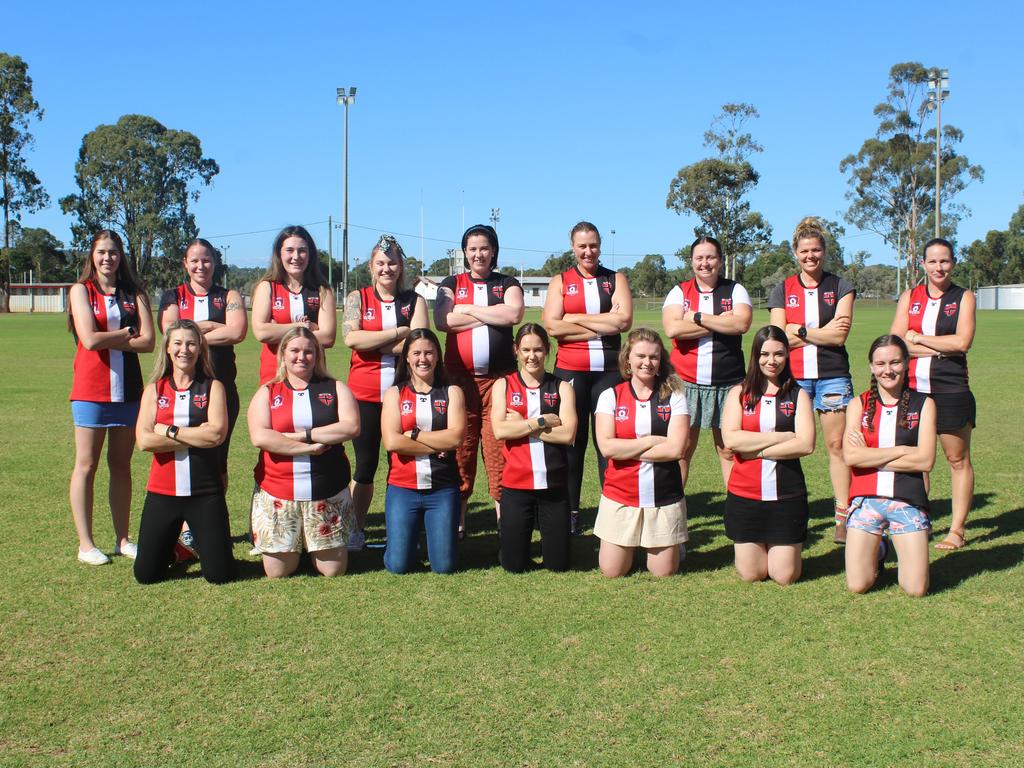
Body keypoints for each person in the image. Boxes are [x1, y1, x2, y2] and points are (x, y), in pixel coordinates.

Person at [67, 230, 155, 565]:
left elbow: (148, 342)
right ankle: (86, 544)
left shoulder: (135, 292)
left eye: (114, 252)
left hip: (129, 391)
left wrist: (112, 339)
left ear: (122, 256)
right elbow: (88, 340)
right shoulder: (80, 290)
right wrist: (124, 333)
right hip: (91, 390)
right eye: (102, 252)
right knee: (86, 465)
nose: (108, 258)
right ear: (92, 255)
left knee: (121, 465)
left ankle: (122, 539)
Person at [769, 217, 855, 543]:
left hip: (832, 375)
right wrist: (821, 332)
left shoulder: (840, 286)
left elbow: (841, 333)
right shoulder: (783, 288)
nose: (810, 256)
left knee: (837, 446)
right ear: (795, 252)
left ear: (824, 251)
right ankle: (792, 517)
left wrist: (801, 331)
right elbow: (778, 339)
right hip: (794, 379)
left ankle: (843, 518)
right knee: (790, 448)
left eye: (816, 250)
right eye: (804, 251)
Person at [434, 224, 524, 536]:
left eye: (484, 248)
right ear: (465, 253)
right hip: (459, 383)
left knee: (498, 448)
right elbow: (443, 320)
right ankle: (458, 520)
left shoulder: (507, 282)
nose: (478, 254)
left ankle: (504, 520)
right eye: (472, 249)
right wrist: (490, 313)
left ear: (494, 251)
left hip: (499, 381)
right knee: (461, 449)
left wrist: (469, 309)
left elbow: (513, 315)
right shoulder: (451, 283)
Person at [543, 221, 632, 535]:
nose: (588, 251)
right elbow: (552, 327)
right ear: (572, 247)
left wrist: (575, 319)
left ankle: (614, 511)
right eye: (582, 246)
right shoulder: (561, 281)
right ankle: (571, 512)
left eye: (593, 245)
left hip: (610, 373)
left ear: (600, 245)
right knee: (571, 444)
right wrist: (602, 323)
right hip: (571, 372)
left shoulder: (615, 278)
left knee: (608, 445)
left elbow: (623, 320)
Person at [248, 327, 359, 578]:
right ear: (283, 354)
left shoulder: (335, 388)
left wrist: (301, 435)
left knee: (332, 571)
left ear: (317, 355)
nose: (302, 357)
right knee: (278, 572)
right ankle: (298, 544)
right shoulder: (268, 392)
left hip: (326, 492)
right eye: (295, 350)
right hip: (279, 492)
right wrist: (309, 448)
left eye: (309, 351)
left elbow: (351, 427)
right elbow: (261, 437)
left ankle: (311, 544)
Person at [342, 234, 429, 551]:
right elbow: (352, 340)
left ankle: (404, 531)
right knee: (364, 467)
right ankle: (355, 529)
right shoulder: (357, 297)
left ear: (401, 266)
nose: (386, 268)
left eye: (392, 262)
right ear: (371, 266)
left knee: (403, 465)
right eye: (380, 263)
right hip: (363, 395)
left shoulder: (414, 300)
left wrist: (374, 340)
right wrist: (398, 333)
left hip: (405, 395)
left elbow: (419, 344)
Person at [133, 320, 236, 584]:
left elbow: (215, 435)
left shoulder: (213, 387)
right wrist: (196, 435)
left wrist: (168, 431)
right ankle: (179, 550)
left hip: (204, 492)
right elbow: (144, 441)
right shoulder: (154, 389)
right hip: (162, 492)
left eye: (191, 343)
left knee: (219, 575)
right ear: (167, 348)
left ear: (201, 349)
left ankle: (187, 547)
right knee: (146, 575)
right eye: (177, 343)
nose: (184, 350)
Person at [890, 238, 976, 551]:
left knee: (957, 459)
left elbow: (962, 343)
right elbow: (896, 344)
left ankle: (957, 530)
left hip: (951, 388)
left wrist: (920, 339)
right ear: (922, 265)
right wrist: (938, 345)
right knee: (917, 461)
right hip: (912, 390)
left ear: (953, 263)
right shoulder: (909, 297)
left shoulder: (964, 297)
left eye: (945, 261)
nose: (939, 267)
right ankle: (919, 522)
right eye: (933, 262)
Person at [721, 326, 815, 585]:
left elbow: (806, 444)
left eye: (778, 354)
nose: (771, 361)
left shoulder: (798, 395)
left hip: (786, 497)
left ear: (787, 357)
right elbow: (731, 440)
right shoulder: (739, 393)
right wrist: (782, 437)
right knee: (752, 574)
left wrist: (757, 450)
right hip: (745, 495)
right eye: (764, 354)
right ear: (755, 356)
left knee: (784, 576)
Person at [844, 335, 936, 597]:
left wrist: (870, 454)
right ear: (872, 367)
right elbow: (851, 457)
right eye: (881, 363)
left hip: (906, 499)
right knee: (858, 585)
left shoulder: (924, 404)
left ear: (906, 363)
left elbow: (925, 460)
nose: (888, 370)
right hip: (866, 499)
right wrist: (903, 450)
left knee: (915, 589)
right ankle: (880, 548)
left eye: (895, 362)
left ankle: (890, 541)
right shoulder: (858, 404)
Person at [593, 328, 690, 578]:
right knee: (612, 571)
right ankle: (633, 541)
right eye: (640, 356)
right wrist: (653, 441)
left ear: (661, 361)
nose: (647, 362)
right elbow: (606, 447)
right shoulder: (610, 396)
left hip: (664, 495)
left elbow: (677, 449)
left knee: (664, 572)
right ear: (628, 359)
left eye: (654, 357)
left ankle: (669, 544)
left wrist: (627, 448)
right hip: (620, 494)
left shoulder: (675, 396)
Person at [663, 235, 752, 489]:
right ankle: (675, 506)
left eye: (710, 257)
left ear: (720, 261)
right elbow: (672, 329)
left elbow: (741, 324)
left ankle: (736, 505)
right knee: (681, 448)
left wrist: (697, 317)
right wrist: (719, 322)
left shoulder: (735, 290)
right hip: (685, 383)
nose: (705, 263)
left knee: (727, 449)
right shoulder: (679, 291)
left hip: (729, 384)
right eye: (699, 258)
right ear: (691, 261)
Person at [158, 238, 247, 485]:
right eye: (194, 260)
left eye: (206, 260)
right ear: (185, 263)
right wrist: (212, 325)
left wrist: (189, 332)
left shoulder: (229, 295)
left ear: (215, 262)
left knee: (218, 459)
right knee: (182, 454)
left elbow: (237, 332)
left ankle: (213, 518)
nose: (201, 265)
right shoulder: (172, 296)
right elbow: (170, 333)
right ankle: (184, 520)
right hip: (180, 391)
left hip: (221, 390)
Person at [491, 324, 577, 572]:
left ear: (548, 350)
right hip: (516, 485)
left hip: (554, 485)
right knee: (513, 565)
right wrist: (540, 422)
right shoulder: (503, 385)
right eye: (526, 349)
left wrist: (522, 425)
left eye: (538, 350)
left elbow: (569, 434)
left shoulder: (562, 387)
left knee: (558, 565)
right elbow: (500, 430)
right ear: (516, 350)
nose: (532, 356)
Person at [381, 329, 466, 574]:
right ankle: (402, 544)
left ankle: (426, 541)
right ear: (406, 357)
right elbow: (393, 442)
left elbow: (456, 438)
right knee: (398, 566)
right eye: (416, 353)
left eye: (429, 353)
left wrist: (416, 436)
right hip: (403, 487)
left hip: (442, 488)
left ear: (438, 356)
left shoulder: (452, 392)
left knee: (444, 567)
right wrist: (438, 442)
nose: (423, 359)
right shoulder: (395, 393)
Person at [251, 225, 336, 386]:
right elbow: (261, 332)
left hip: (313, 377)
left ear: (310, 254)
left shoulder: (322, 291)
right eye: (289, 250)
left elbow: (328, 337)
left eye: (302, 250)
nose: (296, 256)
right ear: (279, 253)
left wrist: (278, 331)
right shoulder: (267, 287)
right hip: (274, 376)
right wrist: (305, 326)